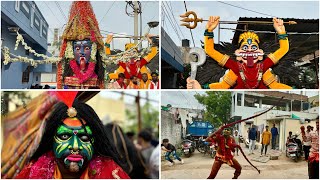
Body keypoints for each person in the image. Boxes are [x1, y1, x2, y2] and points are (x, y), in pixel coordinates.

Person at [15, 95, 129, 178]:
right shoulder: (32, 173)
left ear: (95, 142)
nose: (75, 146)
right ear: (51, 141)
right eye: (64, 136)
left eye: (84, 138)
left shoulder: (110, 173)